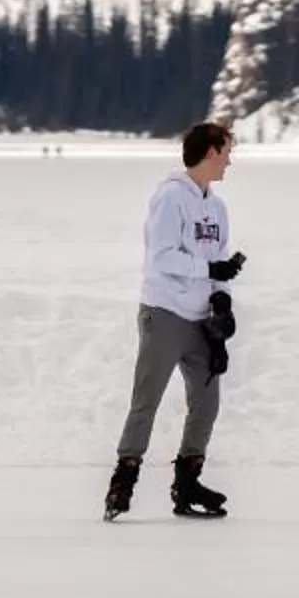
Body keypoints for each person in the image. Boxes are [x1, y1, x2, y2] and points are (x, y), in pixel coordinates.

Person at [103, 120, 246, 522]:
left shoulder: (217, 207)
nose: (230, 162)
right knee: (145, 402)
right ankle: (123, 482)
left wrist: (223, 304)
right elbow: (162, 257)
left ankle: (187, 483)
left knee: (207, 403)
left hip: (201, 321)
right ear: (211, 151)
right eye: (228, 152)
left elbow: (220, 262)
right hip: (164, 313)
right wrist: (210, 268)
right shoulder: (169, 197)